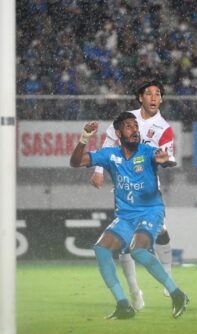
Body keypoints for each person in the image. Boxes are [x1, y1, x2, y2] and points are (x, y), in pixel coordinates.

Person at [70, 112, 188, 319]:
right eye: (129, 127)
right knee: (101, 249)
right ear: (118, 133)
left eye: (136, 126)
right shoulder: (109, 155)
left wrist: (167, 160)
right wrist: (84, 139)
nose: (135, 130)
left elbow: (167, 159)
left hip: (151, 211)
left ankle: (177, 294)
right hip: (125, 215)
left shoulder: (147, 151)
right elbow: (76, 162)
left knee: (138, 250)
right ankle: (123, 305)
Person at [90, 80, 176, 309]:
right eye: (149, 93)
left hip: (148, 187)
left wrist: (166, 160)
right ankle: (134, 291)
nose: (154, 97)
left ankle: (167, 273)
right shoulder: (127, 119)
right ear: (141, 98)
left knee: (161, 232)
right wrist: (98, 170)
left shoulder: (164, 127)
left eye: (158, 94)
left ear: (161, 99)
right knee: (124, 241)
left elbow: (170, 156)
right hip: (124, 184)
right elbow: (109, 141)